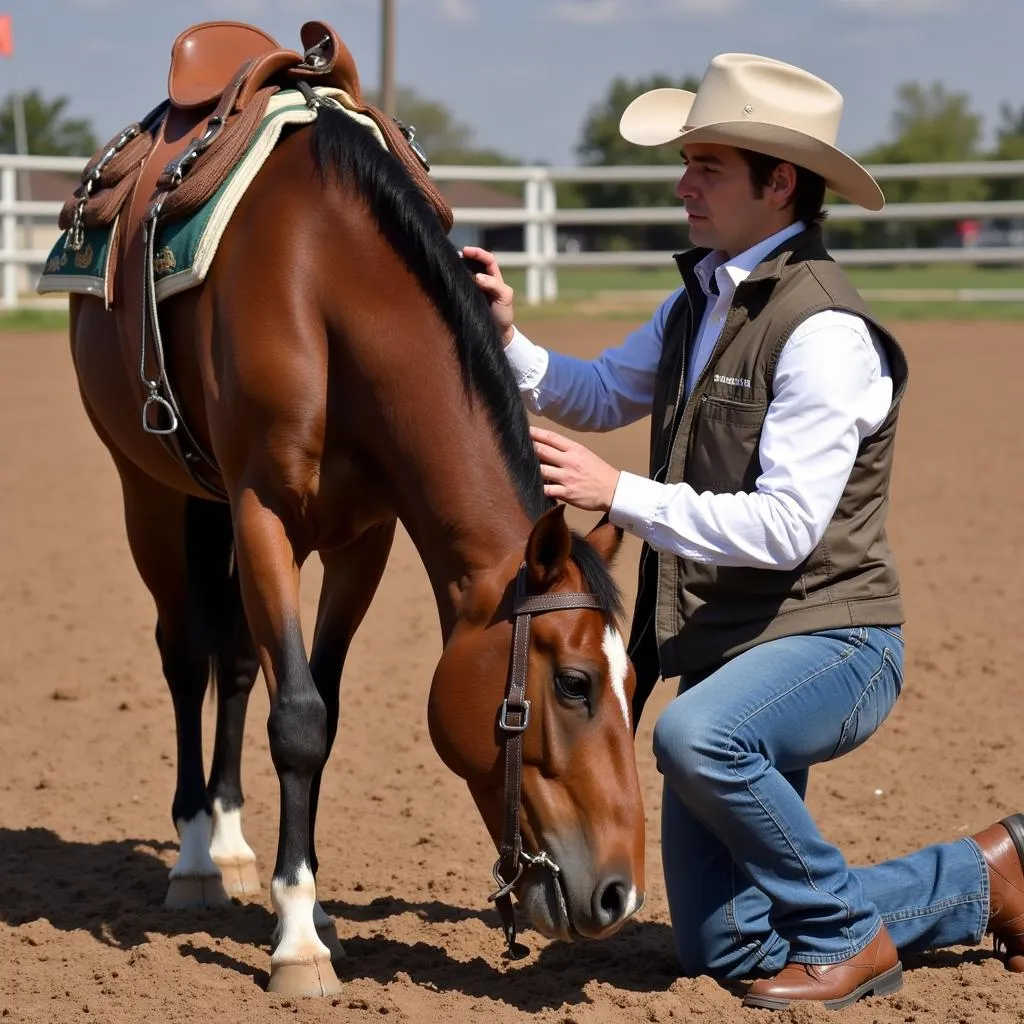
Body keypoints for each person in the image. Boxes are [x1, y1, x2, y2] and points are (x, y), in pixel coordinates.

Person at [463, 52, 1024, 1011]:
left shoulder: (827, 334)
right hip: (737, 651)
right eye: (687, 164)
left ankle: (849, 933)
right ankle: (989, 877)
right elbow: (600, 390)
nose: (684, 184)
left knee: (696, 736)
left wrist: (619, 491)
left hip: (835, 642)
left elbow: (787, 527)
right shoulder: (700, 300)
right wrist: (509, 338)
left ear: (780, 183)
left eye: (708, 167)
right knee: (724, 945)